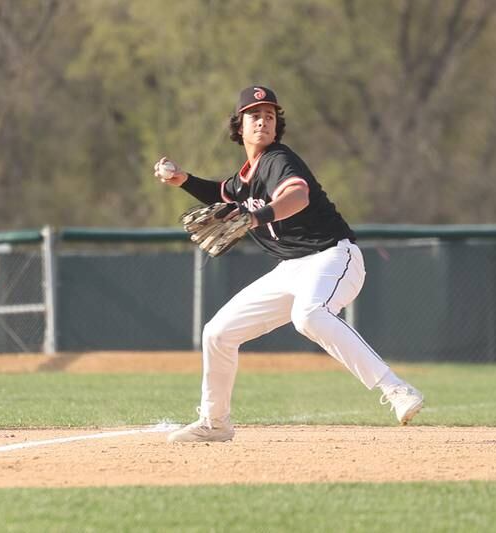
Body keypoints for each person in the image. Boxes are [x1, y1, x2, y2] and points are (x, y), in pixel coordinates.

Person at [156, 85, 425, 443]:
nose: (263, 122)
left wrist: (256, 217)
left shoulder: (278, 160)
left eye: (269, 116)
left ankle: (397, 390)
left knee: (309, 315)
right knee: (218, 333)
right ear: (239, 126)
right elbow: (222, 191)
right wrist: (182, 180)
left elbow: (297, 195)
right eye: (254, 115)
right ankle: (215, 423)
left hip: (333, 256)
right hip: (291, 268)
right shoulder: (245, 178)